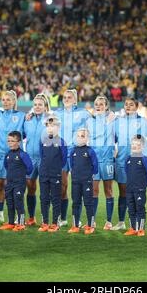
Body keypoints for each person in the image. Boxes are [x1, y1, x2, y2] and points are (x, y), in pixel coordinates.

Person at [54, 89, 91, 227]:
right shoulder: (57, 113)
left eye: (70, 97)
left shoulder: (84, 113)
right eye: (65, 97)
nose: (67, 99)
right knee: (62, 186)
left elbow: (96, 125)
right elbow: (47, 126)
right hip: (61, 153)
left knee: (78, 187)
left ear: (75, 100)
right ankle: (62, 218)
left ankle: (77, 219)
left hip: (78, 153)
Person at [112, 97, 147, 231]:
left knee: (137, 195)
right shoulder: (118, 121)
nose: (128, 106)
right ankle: (122, 222)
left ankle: (139, 225)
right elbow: (112, 139)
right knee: (123, 193)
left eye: (131, 104)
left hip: (138, 164)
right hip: (122, 162)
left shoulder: (143, 121)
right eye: (126, 104)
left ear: (137, 106)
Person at [0, 90, 26, 224]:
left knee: (16, 187)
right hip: (0, 156)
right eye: (3, 100)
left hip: (15, 158)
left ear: (14, 101)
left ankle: (18, 215)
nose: (5, 102)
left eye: (8, 100)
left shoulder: (22, 116)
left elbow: (25, 133)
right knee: (0, 185)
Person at [86, 96, 115, 230]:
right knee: (94, 190)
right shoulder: (89, 122)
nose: (98, 106)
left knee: (108, 190)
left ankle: (108, 221)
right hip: (94, 161)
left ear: (106, 106)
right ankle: (92, 220)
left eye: (101, 104)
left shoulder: (113, 120)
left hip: (108, 159)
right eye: (96, 104)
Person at [38, 115, 68, 233]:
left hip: (55, 174)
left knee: (56, 199)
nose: (50, 128)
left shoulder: (62, 142)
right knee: (44, 198)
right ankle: (45, 222)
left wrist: (55, 168)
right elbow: (42, 156)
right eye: (48, 126)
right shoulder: (43, 141)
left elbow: (64, 159)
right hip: (44, 174)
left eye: (53, 126)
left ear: (58, 127)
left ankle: (55, 223)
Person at [23, 93, 49, 226]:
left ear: (45, 107)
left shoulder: (51, 120)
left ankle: (46, 219)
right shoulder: (27, 120)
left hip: (45, 159)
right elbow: (20, 135)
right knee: (31, 188)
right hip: (30, 159)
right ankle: (32, 218)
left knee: (45, 189)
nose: (37, 107)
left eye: (40, 105)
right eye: (35, 105)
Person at [0, 131, 33, 232]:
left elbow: (30, 168)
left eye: (12, 141)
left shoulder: (23, 154)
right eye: (8, 141)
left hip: (19, 183)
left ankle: (21, 223)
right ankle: (10, 223)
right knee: (9, 202)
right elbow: (6, 165)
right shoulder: (8, 154)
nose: (10, 143)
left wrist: (21, 174)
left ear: (18, 142)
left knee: (18, 202)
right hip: (9, 183)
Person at [68, 128, 98, 234]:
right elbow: (71, 164)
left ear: (87, 138)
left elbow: (95, 165)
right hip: (75, 181)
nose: (80, 138)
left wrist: (90, 175)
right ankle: (75, 225)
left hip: (87, 181)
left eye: (82, 136)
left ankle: (90, 225)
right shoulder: (73, 151)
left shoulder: (90, 151)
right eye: (78, 136)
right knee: (75, 203)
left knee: (88, 203)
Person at [124, 135, 147, 237]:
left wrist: (143, 185)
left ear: (143, 147)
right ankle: (132, 228)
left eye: (138, 144)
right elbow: (126, 170)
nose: (135, 146)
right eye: (133, 144)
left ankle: (141, 229)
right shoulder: (128, 158)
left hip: (139, 189)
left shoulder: (144, 159)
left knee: (140, 208)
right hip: (129, 188)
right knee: (131, 208)